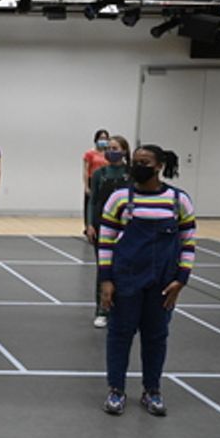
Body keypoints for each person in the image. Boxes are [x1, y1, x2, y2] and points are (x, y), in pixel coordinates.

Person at [97, 145, 196, 417]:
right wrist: (106, 281)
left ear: (159, 166)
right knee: (119, 336)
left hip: (163, 283)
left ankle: (152, 391)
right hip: (125, 280)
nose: (138, 165)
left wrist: (182, 279)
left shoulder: (178, 200)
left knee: (156, 337)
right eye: (136, 161)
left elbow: (188, 242)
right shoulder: (119, 199)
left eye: (145, 162)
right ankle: (116, 390)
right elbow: (105, 242)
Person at [85, 135, 132, 328]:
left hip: (126, 226)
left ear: (124, 151)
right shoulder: (99, 174)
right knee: (104, 268)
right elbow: (92, 200)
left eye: (115, 148)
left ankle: (121, 309)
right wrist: (89, 224)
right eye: (109, 148)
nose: (111, 151)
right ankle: (102, 309)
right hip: (102, 225)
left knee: (124, 268)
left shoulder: (131, 173)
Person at [83, 128, 111, 228]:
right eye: (101, 138)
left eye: (105, 138)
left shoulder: (109, 154)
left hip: (106, 181)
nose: (103, 140)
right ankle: (89, 226)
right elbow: (86, 170)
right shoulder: (90, 154)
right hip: (92, 180)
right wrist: (86, 186)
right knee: (90, 204)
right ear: (96, 139)